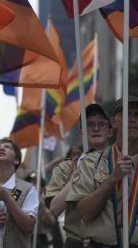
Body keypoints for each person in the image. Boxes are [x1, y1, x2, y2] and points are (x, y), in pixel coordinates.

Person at [67, 96, 138, 246]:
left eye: (137, 115)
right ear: (113, 122)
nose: (133, 119)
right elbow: (85, 213)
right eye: (127, 114)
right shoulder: (91, 162)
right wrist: (113, 179)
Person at [46, 103, 112, 248]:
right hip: (76, 242)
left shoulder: (120, 164)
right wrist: (80, 172)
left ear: (110, 131)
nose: (95, 128)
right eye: (89, 125)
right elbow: (55, 208)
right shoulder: (66, 168)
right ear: (81, 133)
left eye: (101, 124)